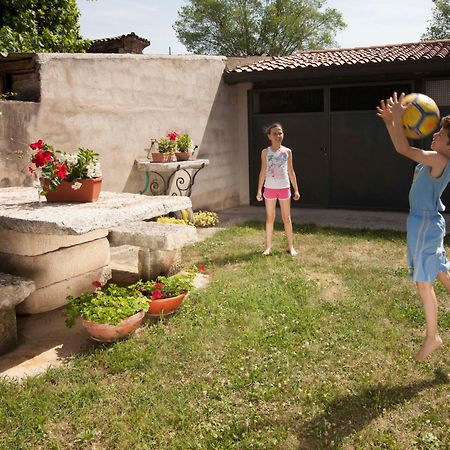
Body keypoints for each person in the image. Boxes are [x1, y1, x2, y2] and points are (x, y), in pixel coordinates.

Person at [377, 92, 450, 361]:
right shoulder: (437, 158)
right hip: (428, 222)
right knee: (440, 269)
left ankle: (433, 337)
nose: (435, 135)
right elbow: (405, 149)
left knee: (423, 282)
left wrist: (395, 120)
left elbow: (403, 149)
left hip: (424, 224)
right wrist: (390, 122)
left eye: (441, 134)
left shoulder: (439, 160)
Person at [256, 122, 300, 256]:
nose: (278, 136)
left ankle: (290, 246)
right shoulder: (265, 152)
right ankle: (268, 247)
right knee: (270, 218)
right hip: (269, 189)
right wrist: (259, 190)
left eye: (280, 133)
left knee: (287, 218)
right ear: (269, 136)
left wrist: (296, 189)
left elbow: (291, 171)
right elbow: (263, 171)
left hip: (284, 188)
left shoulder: (287, 152)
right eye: (274, 134)